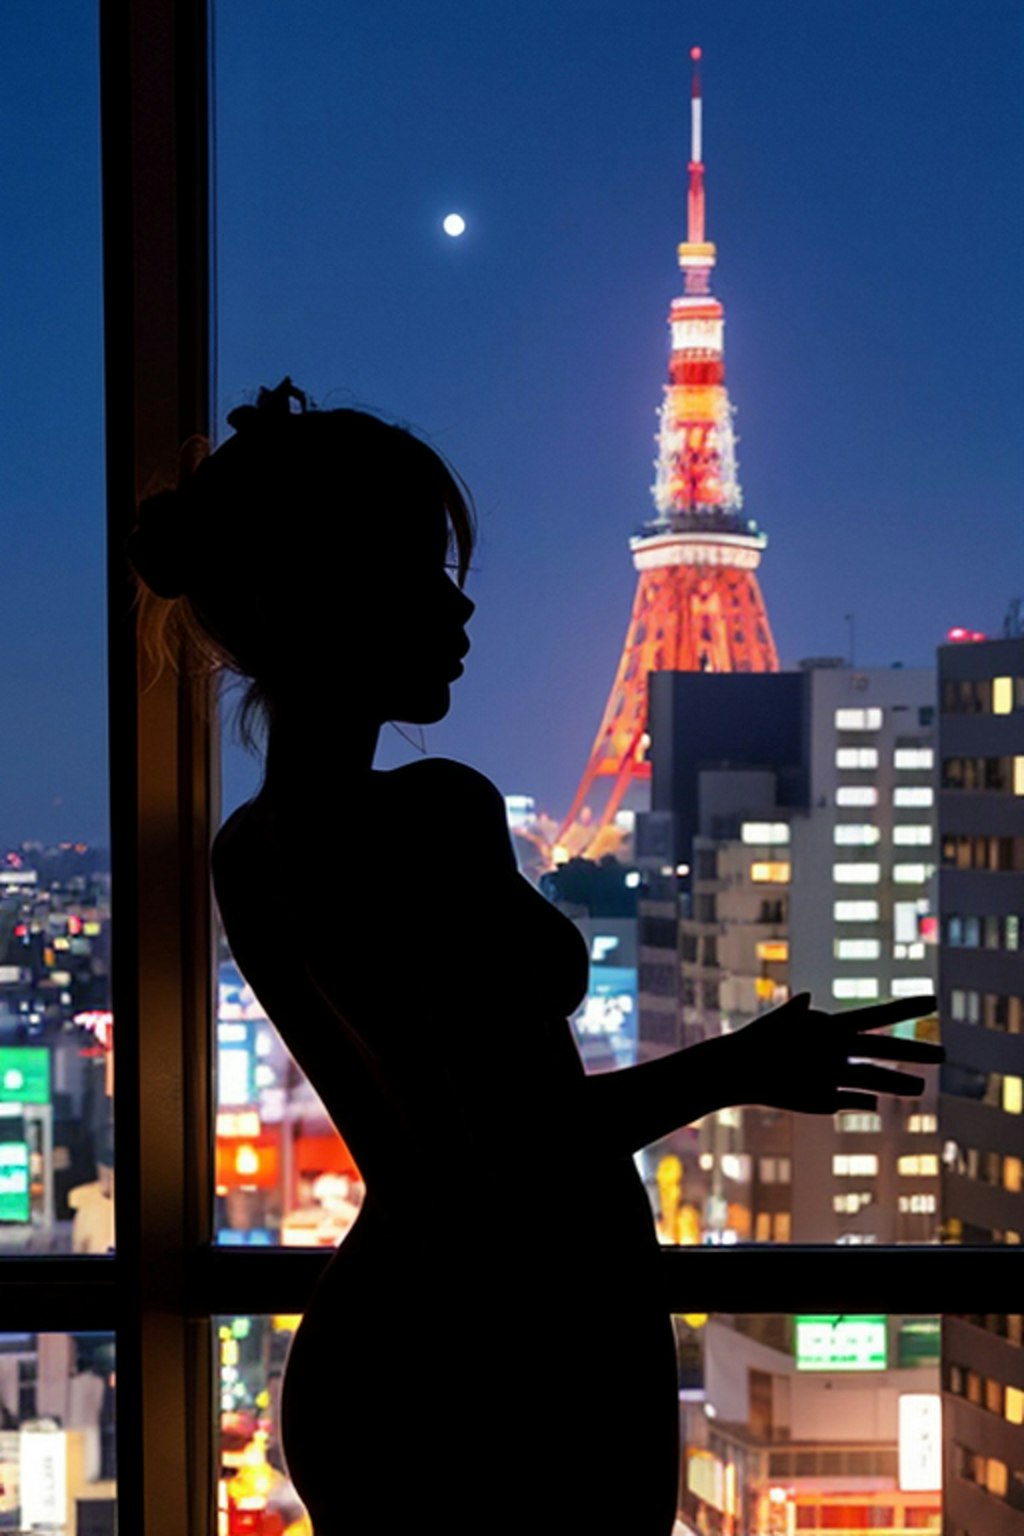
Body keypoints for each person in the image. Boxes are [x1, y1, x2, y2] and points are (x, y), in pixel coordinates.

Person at [129, 379, 942, 1536]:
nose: (459, 615)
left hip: (383, 1337)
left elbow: (435, 1148)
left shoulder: (248, 850)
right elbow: (512, 1146)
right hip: (526, 1348)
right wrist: (737, 1065)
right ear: (304, 599)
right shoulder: (432, 816)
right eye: (417, 575)